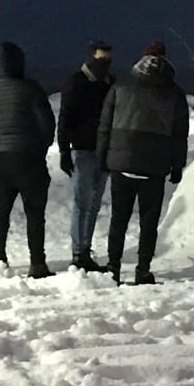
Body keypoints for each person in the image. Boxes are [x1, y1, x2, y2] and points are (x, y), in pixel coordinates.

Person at [98, 41, 189, 284]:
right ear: (165, 60)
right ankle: (142, 270)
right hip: (155, 166)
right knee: (149, 222)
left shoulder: (121, 86)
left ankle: (113, 268)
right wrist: (177, 165)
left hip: (122, 162)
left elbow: (105, 125)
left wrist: (103, 157)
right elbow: (180, 134)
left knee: (119, 218)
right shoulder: (174, 93)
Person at [0, 42, 56, 279]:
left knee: (1, 211)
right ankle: (37, 263)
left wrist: (0, 142)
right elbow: (47, 124)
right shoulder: (31, 90)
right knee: (34, 213)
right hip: (30, 157)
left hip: (0, 159)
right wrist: (40, 147)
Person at [58, 40, 114, 271]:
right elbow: (65, 117)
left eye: (107, 58)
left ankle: (85, 249)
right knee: (82, 203)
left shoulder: (110, 83)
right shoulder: (76, 82)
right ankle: (78, 252)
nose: (105, 63)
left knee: (93, 204)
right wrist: (64, 150)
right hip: (82, 150)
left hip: (103, 151)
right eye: (101, 58)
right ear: (91, 56)